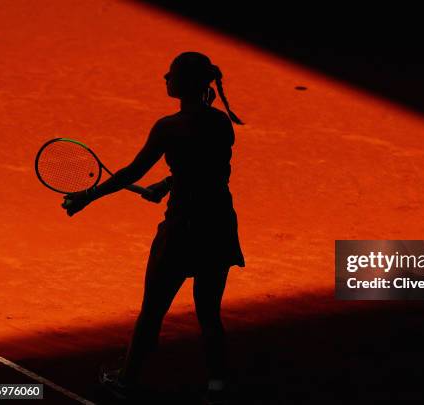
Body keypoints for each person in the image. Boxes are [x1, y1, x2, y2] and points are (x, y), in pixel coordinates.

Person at [61, 51, 245, 403]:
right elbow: (204, 169)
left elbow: (132, 172)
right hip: (219, 224)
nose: (165, 77)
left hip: (182, 229)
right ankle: (219, 384)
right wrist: (165, 185)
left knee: (152, 310)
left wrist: (88, 196)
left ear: (186, 83)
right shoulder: (220, 123)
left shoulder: (167, 128)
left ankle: (127, 380)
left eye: (171, 73)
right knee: (209, 313)